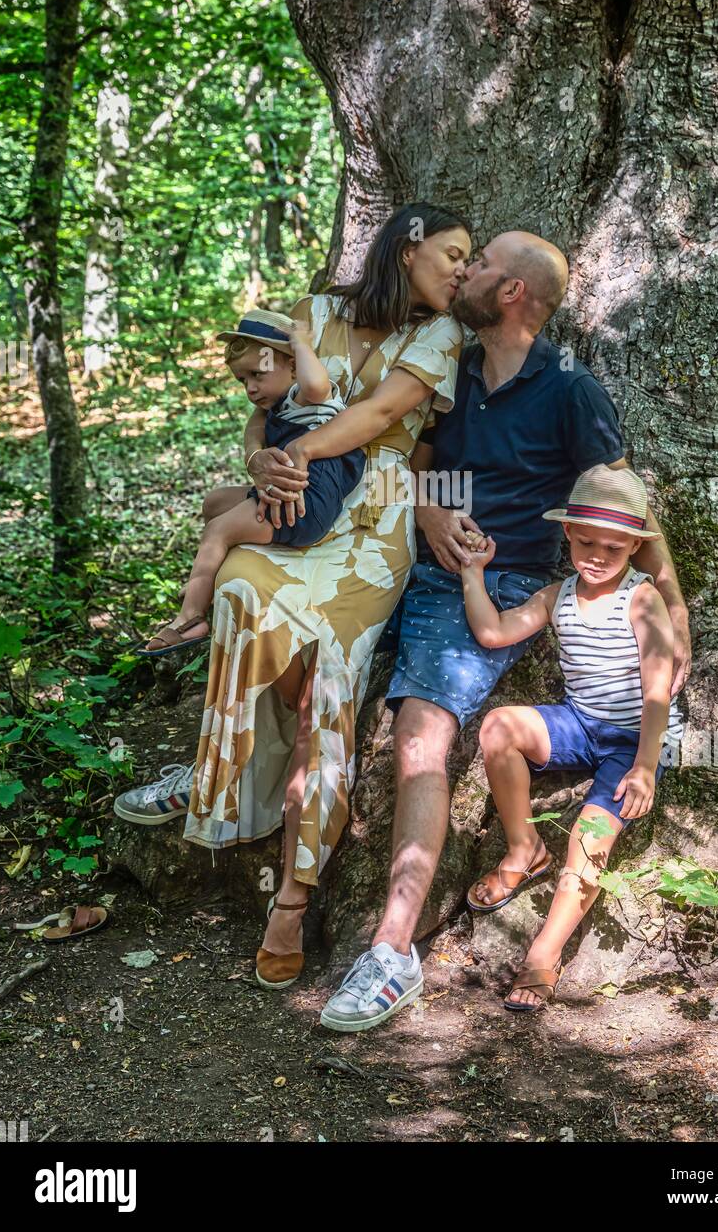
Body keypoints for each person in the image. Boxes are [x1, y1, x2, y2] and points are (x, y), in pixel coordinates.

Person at [320, 231, 692, 1032]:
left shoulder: (568, 388)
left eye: (481, 264)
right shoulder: (449, 363)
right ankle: (213, 790)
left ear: (514, 292)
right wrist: (426, 509)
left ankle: (390, 952)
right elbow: (413, 460)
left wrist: (674, 604)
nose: (465, 272)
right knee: (290, 649)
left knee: (422, 726)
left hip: (501, 584)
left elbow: (620, 500)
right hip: (396, 553)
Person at [113, 203, 470, 993]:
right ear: (406, 247)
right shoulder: (310, 313)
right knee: (239, 590)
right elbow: (258, 412)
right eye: (451, 253)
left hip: (372, 523)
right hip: (289, 503)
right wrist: (262, 464)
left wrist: (295, 454)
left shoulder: (442, 336)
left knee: (328, 682)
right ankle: (225, 773)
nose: (461, 270)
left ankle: (293, 896)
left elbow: (380, 417)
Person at [462, 464, 683, 1011]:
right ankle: (523, 849)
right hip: (581, 721)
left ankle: (544, 954)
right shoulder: (557, 594)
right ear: (567, 534)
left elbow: (658, 687)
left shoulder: (641, 598)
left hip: (637, 739)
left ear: (635, 546)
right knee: (498, 727)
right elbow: (493, 632)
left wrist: (647, 765)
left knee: (590, 834)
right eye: (586, 542)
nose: (598, 556)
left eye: (614, 547)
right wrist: (472, 572)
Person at [140, 310, 366, 655]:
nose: (250, 388)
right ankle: (208, 578)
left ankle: (191, 618)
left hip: (305, 505)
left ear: (293, 366)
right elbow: (254, 428)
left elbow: (316, 383)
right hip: (289, 497)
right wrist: (253, 454)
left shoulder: (307, 398)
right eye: (242, 380)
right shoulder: (277, 405)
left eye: (258, 374)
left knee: (219, 529)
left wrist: (301, 343)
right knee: (215, 503)